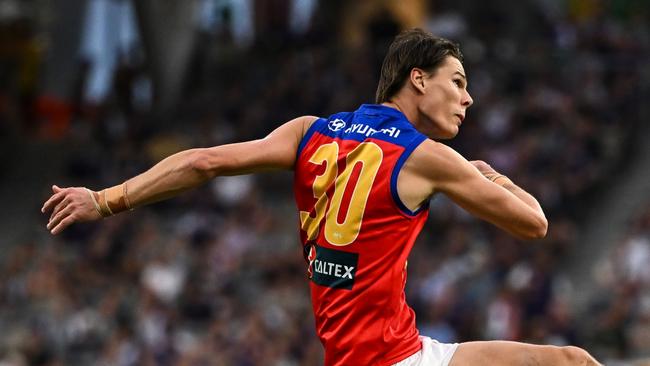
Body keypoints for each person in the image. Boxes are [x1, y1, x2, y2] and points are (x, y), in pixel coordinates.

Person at [42, 29, 601, 366]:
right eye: (457, 81)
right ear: (418, 80)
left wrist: (106, 199)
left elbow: (201, 161)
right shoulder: (427, 158)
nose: (468, 98)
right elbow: (535, 225)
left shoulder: (311, 131)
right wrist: (492, 175)